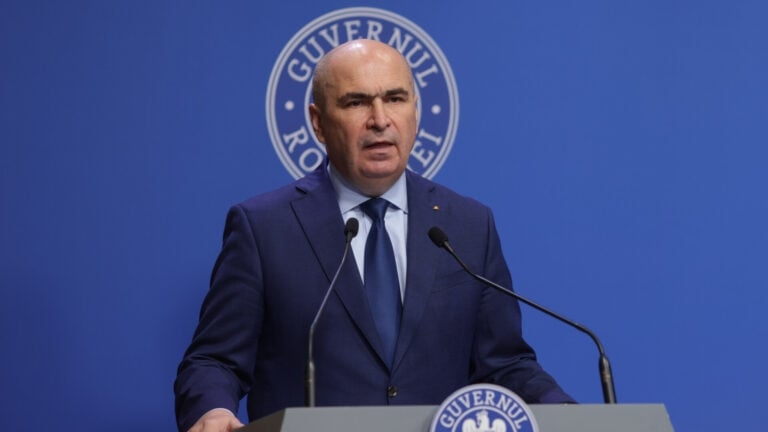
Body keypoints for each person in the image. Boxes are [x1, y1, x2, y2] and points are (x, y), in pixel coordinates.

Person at [174, 39, 574, 432]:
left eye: (395, 99)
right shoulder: (264, 228)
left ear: (415, 111)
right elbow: (215, 361)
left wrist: (567, 414)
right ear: (318, 122)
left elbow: (505, 364)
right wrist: (212, 408)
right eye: (356, 102)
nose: (380, 119)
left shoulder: (468, 224)